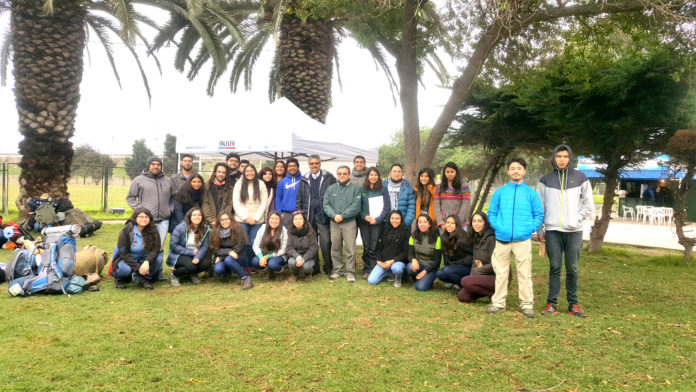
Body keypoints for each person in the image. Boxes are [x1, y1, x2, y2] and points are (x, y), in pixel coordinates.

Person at [537, 145, 594, 317]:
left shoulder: (581, 178)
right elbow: (540, 208)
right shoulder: (545, 180)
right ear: (554, 158)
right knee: (554, 267)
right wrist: (541, 228)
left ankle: (573, 305)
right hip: (553, 230)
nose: (562, 159)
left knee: (572, 268)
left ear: (570, 158)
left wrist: (576, 218)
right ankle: (551, 304)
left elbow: (589, 204)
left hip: (574, 231)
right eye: (559, 156)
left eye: (565, 156)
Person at [486, 158, 544, 318]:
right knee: (501, 272)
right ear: (508, 172)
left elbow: (538, 214)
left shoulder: (531, 193)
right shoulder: (500, 192)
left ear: (524, 171)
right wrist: (499, 227)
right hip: (502, 239)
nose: (516, 171)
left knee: (524, 272)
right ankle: (498, 303)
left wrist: (529, 229)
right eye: (513, 168)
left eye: (519, 168)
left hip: (522, 240)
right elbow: (492, 212)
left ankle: (527, 304)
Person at [126, 156, 174, 279]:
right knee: (145, 247)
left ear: (161, 166)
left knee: (160, 247)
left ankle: (158, 272)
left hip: (163, 221)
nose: (156, 166)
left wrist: (170, 210)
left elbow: (173, 198)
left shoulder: (168, 181)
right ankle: (141, 271)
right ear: (148, 166)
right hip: (145, 221)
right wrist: (140, 212)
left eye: (158, 164)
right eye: (153, 164)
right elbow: (130, 197)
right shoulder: (139, 180)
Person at [296, 155, 336, 275]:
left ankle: (328, 267)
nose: (314, 165)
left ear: (320, 164)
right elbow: (299, 198)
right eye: (312, 163)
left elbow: (334, 196)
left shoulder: (329, 178)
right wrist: (300, 215)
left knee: (326, 242)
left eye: (316, 163)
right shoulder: (304, 179)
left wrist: (331, 212)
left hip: (323, 216)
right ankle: (315, 267)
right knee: (312, 243)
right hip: (309, 216)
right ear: (309, 165)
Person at [323, 165, 362, 282]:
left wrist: (343, 215)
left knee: (350, 248)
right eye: (340, 173)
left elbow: (356, 206)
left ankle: (350, 272)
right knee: (335, 247)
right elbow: (326, 204)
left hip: (349, 222)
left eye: (345, 173)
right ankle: (338, 270)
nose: (342, 176)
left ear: (349, 175)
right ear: (337, 175)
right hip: (334, 222)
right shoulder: (331, 189)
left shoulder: (355, 189)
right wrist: (334, 215)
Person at [113, 208, 162, 290]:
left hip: (144, 258)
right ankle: (120, 279)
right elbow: (123, 253)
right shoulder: (126, 231)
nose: (144, 219)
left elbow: (156, 248)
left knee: (159, 260)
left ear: (150, 219)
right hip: (127, 259)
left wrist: (147, 261)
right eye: (141, 216)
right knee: (124, 270)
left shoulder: (153, 230)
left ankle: (142, 278)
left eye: (146, 217)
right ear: (135, 218)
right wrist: (138, 268)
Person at [458, 211, 500, 303]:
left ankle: (498, 292)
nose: (476, 224)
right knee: (463, 296)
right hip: (482, 276)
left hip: (496, 277)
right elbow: (475, 262)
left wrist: (478, 271)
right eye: (474, 221)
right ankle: (490, 293)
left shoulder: (492, 238)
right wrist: (472, 277)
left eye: (480, 221)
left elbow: (496, 263)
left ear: (485, 222)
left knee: (465, 281)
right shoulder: (477, 237)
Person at [166, 207, 211, 287]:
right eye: (194, 215)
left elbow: (204, 246)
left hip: (195, 253)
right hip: (179, 254)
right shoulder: (180, 228)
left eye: (199, 215)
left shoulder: (205, 229)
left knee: (206, 263)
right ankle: (174, 274)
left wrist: (198, 257)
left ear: (202, 217)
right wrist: (191, 252)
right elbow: (173, 246)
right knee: (191, 266)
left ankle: (191, 274)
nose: (197, 217)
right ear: (189, 217)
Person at [359, 166, 390, 278]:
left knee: (374, 245)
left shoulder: (383, 189)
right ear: (367, 176)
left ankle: (374, 268)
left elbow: (387, 208)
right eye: (371, 175)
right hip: (364, 222)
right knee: (366, 246)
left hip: (377, 222)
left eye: (375, 175)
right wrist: (364, 216)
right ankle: (367, 269)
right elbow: (358, 207)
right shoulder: (362, 189)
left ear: (378, 176)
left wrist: (378, 219)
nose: (373, 177)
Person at [210, 212, 253, 290]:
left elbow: (239, 247)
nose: (224, 221)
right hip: (226, 257)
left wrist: (225, 255)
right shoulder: (216, 231)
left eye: (226, 219)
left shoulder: (238, 229)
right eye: (222, 220)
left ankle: (246, 278)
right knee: (218, 269)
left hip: (239, 257)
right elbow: (215, 249)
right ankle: (227, 272)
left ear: (231, 219)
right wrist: (228, 252)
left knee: (229, 259)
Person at [367, 210, 410, 287]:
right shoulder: (385, 229)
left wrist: (392, 261)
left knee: (397, 268)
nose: (394, 220)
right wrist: (379, 261)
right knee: (371, 281)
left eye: (397, 218)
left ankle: (398, 277)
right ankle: (389, 273)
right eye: (392, 218)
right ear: (389, 219)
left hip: (398, 262)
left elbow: (406, 252)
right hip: (384, 262)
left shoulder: (406, 231)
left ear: (401, 219)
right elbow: (379, 248)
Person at [233, 163, 268, 247]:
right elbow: (236, 203)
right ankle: (244, 260)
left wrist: (255, 218)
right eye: (247, 171)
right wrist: (246, 218)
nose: (249, 173)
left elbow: (263, 203)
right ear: (244, 172)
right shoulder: (239, 184)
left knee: (254, 242)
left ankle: (253, 260)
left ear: (255, 172)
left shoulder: (261, 184)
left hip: (257, 220)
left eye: (251, 171)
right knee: (243, 242)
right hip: (241, 220)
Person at [406, 214, 442, 291]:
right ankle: (419, 279)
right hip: (419, 264)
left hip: (431, 267)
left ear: (429, 224)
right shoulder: (413, 236)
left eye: (425, 222)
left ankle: (428, 279)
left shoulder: (437, 238)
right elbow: (410, 254)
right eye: (420, 222)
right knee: (409, 267)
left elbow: (437, 261)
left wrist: (425, 271)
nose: (422, 224)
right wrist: (414, 260)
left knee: (420, 287)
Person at [436, 214, 473, 288]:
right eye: (447, 222)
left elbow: (473, 254)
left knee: (446, 271)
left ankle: (465, 285)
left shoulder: (463, 239)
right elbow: (446, 256)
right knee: (440, 273)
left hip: (467, 267)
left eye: (452, 223)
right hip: (454, 266)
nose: (449, 225)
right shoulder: (444, 237)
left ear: (457, 225)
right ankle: (461, 284)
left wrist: (455, 264)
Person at [251, 211, 288, 279]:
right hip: (264, 253)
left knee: (272, 264)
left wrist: (267, 257)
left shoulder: (284, 230)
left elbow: (284, 249)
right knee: (255, 261)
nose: (274, 221)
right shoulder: (262, 228)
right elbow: (255, 245)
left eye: (276, 219)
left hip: (278, 255)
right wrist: (261, 257)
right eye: (272, 218)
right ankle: (267, 272)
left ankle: (279, 272)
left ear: (280, 220)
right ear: (268, 219)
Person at [434, 162, 472, 228]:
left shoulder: (464, 186)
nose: (449, 174)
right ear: (444, 173)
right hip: (444, 225)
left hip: (460, 225)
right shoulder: (439, 188)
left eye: (452, 172)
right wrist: (441, 222)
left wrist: (457, 223)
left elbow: (465, 205)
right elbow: (436, 206)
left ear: (456, 172)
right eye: (447, 172)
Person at [286, 211, 319, 282]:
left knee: (307, 267)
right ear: (293, 221)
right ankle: (294, 274)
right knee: (291, 262)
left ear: (304, 220)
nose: (298, 221)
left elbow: (314, 248)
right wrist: (297, 257)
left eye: (300, 219)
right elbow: (289, 248)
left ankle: (308, 274)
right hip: (295, 255)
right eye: (295, 219)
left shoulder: (310, 231)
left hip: (308, 256)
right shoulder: (290, 231)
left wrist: (303, 259)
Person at [275, 158, 302, 227]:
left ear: (298, 167)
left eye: (294, 166)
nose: (292, 168)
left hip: (300, 214)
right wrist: (280, 213)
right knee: (285, 236)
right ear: (287, 168)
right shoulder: (282, 182)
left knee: (298, 236)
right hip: (286, 215)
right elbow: (278, 198)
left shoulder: (303, 180)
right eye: (290, 166)